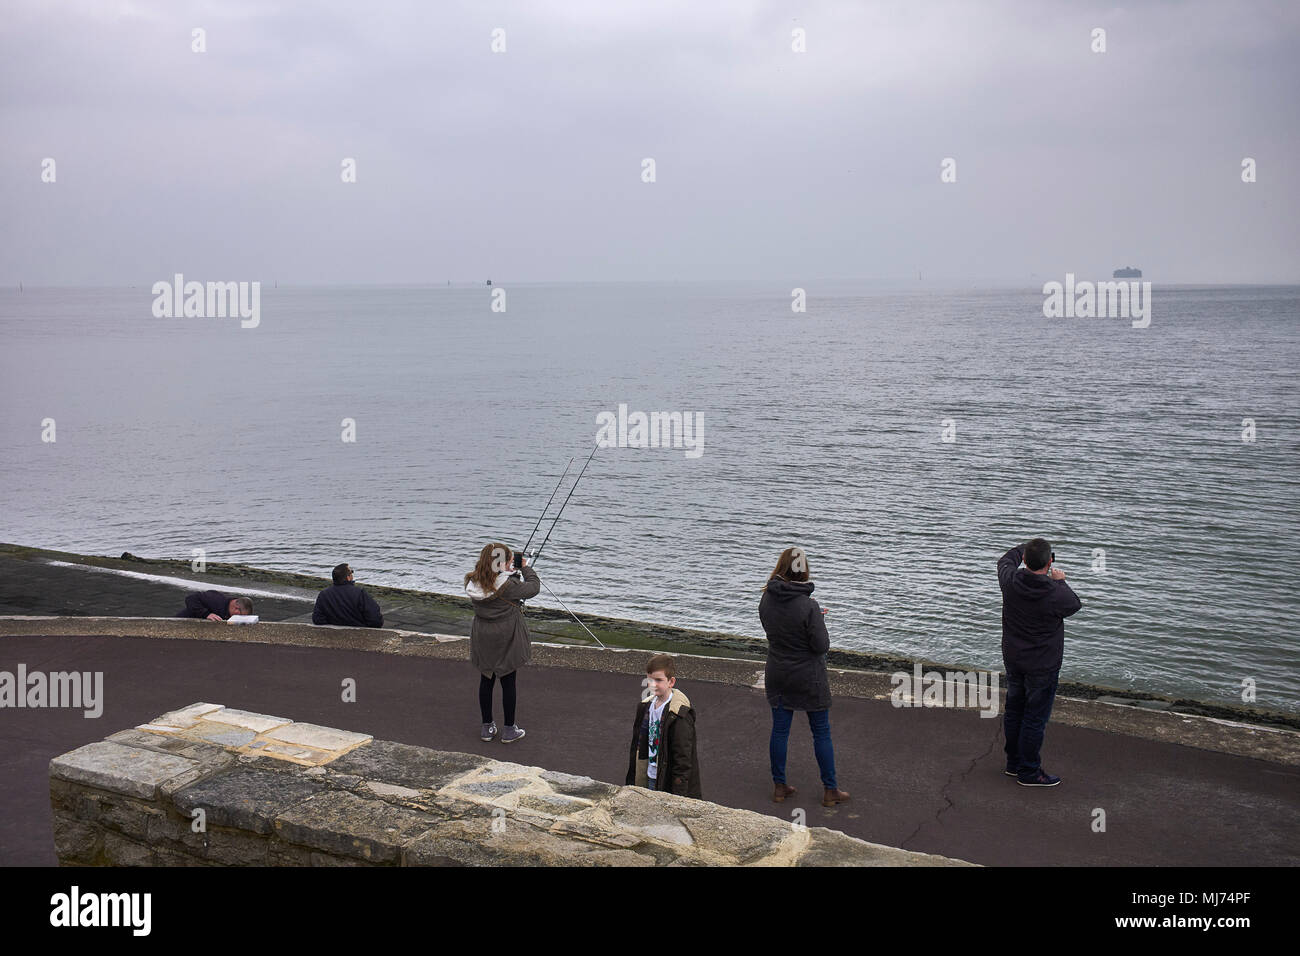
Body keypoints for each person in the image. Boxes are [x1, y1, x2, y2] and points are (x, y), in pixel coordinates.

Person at [758, 546, 849, 807]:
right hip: (809, 676)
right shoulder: (809, 606)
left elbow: (777, 629)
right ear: (803, 570)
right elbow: (821, 646)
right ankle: (830, 790)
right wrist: (819, 621)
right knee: (821, 732)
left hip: (777, 671)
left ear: (781, 568)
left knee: (780, 731)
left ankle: (779, 786)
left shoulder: (766, 599)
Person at [997, 538, 1083, 787]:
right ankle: (1029, 771)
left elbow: (1004, 560)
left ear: (1024, 560)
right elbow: (1074, 605)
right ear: (1050, 562)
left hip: (1014, 658)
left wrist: (1023, 548)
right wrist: (1061, 580)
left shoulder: (1010, 581)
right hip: (1042, 665)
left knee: (1014, 710)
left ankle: (1013, 763)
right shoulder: (1056, 592)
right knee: (1034, 718)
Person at [464, 543, 538, 743]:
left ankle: (487, 727)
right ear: (502, 562)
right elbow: (533, 588)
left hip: (483, 636)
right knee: (508, 681)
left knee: (486, 679)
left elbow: (493, 582)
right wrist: (524, 567)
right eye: (507, 561)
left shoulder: (473, 581)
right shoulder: (509, 585)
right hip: (507, 636)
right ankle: (509, 730)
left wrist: (507, 572)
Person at [625, 654, 702, 797]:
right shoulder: (645, 706)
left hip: (666, 780)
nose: (652, 684)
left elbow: (683, 759)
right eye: (649, 680)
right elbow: (637, 746)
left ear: (671, 682)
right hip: (648, 773)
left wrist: (679, 795)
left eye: (658, 680)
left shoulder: (679, 714)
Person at [312, 563, 384, 628]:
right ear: (348, 577)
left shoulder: (324, 594)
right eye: (351, 572)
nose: (352, 574)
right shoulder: (359, 593)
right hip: (359, 634)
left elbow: (317, 619)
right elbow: (375, 620)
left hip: (333, 634)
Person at [175, 591, 252, 621]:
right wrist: (206, 614)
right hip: (182, 621)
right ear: (236, 608)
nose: (240, 619)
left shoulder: (229, 612)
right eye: (241, 616)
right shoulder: (215, 599)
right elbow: (190, 598)